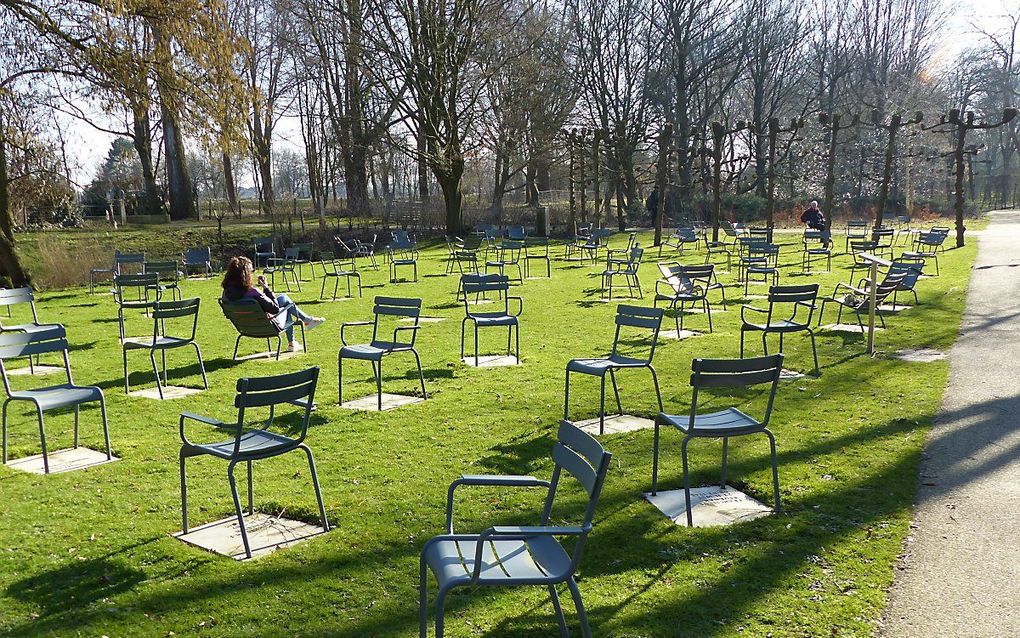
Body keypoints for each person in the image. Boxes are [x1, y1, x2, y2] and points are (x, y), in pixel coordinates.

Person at [221, 256, 325, 352]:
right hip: (267, 326)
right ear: (246, 274)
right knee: (287, 307)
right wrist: (266, 287)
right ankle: (301, 330)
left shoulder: (226, 293)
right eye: (252, 271)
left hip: (246, 327)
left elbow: (228, 314)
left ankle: (304, 326)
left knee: (283, 298)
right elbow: (275, 308)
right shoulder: (253, 292)